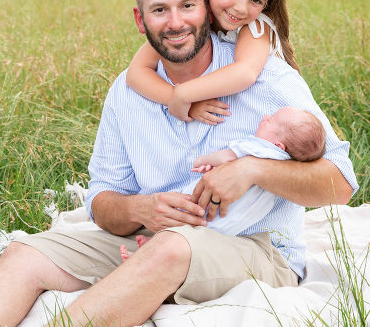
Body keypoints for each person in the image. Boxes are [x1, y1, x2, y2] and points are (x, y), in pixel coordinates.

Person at [0, 0, 358, 327]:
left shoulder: (266, 74)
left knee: (172, 248)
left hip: (257, 249)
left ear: (207, 10)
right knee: (24, 256)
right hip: (148, 239)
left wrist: (250, 169)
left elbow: (340, 183)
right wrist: (140, 208)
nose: (176, 23)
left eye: (187, 6)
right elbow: (102, 201)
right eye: (160, 10)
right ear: (141, 20)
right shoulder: (126, 91)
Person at [126, 0, 297, 126]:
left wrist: (185, 93)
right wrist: (176, 97)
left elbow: (245, 72)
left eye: (257, 1)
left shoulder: (256, 27)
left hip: (279, 123)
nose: (242, 9)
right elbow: (135, 73)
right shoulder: (189, 25)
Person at [120, 106, 327, 260]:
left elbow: (227, 157)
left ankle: (147, 253)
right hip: (234, 224)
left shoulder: (258, 149)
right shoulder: (286, 164)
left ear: (278, 145)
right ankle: (151, 251)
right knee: (194, 241)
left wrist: (203, 161)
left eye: (270, 121)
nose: (265, 117)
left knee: (182, 216)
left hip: (214, 208)